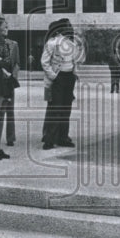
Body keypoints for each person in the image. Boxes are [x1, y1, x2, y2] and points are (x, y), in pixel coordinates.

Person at [41, 18, 82, 150]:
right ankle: (49, 139)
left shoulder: (72, 44)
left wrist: (75, 73)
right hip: (58, 78)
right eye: (68, 26)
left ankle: (63, 137)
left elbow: (76, 61)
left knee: (66, 109)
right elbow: (44, 62)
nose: (71, 28)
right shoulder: (52, 43)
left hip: (69, 77)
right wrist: (54, 76)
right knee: (55, 109)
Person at [0, 16, 17, 161]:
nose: (7, 29)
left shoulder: (3, 42)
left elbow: (5, 60)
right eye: (4, 27)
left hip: (3, 80)